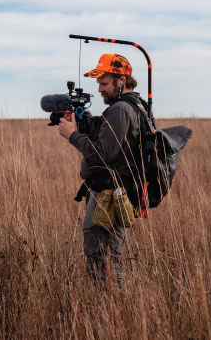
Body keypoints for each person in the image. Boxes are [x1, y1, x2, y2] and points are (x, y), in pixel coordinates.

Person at [58, 53, 141, 288]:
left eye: (104, 83)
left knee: (103, 263)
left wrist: (73, 135)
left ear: (121, 81)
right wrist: (91, 123)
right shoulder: (132, 107)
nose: (100, 89)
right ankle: (111, 306)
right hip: (111, 195)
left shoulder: (120, 110)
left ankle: (114, 307)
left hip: (108, 198)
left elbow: (102, 155)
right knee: (105, 261)